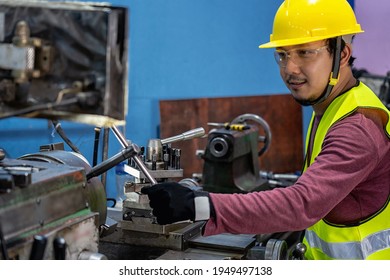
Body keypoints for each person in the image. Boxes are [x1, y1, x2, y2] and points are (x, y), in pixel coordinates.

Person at [142, 0, 390, 260]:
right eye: (283, 54)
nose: (290, 69)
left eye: (304, 52)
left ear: (342, 54)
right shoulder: (331, 107)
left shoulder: (357, 127)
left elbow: (303, 203)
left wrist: (199, 204)